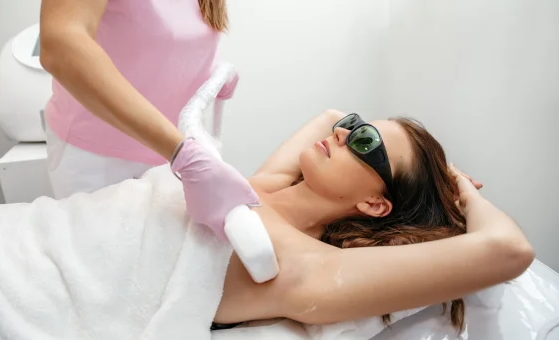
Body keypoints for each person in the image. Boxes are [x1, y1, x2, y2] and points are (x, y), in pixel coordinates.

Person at [210, 109, 533, 331]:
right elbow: (332, 115)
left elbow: (509, 249)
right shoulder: (267, 183)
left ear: (375, 204)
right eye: (355, 127)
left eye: (364, 142)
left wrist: (465, 193)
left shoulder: (302, 265)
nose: (339, 132)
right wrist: (443, 173)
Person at [39, 0, 257, 239]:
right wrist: (181, 152)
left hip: (170, 154)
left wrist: (211, 71)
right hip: (101, 157)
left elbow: (170, 32)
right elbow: (61, 46)